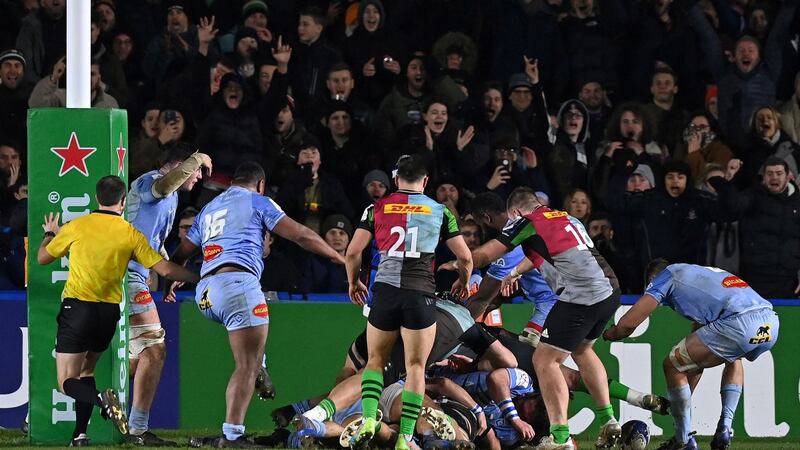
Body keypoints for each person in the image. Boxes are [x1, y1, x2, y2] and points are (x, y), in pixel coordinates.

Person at [167, 162, 344, 447]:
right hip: (238, 284)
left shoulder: (209, 208)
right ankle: (232, 435)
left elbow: (181, 253)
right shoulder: (258, 201)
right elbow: (300, 234)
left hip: (206, 293)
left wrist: (170, 282)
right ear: (260, 184)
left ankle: (260, 366)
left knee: (249, 352)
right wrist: (337, 257)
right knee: (246, 365)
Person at [37, 175, 199, 447]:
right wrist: (199, 277)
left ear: (97, 198)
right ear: (123, 202)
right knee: (87, 371)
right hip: (109, 313)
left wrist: (50, 234)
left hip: (78, 309)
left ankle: (102, 399)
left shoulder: (78, 226)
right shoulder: (130, 233)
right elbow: (165, 269)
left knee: (66, 381)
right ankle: (80, 435)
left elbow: (42, 258)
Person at [467, 187, 621, 450]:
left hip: (579, 296)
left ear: (516, 213)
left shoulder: (526, 223)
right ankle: (609, 421)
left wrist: (458, 260)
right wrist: (514, 272)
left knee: (544, 360)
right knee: (583, 351)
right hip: (610, 289)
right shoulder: (565, 218)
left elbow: (483, 256)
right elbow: (546, 253)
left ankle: (560, 438)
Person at [344, 155, 473, 450]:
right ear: (425, 181)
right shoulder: (440, 211)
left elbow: (352, 252)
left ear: (396, 179)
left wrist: (353, 282)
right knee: (415, 366)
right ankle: (405, 436)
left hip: (385, 292)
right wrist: (463, 282)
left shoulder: (375, 208)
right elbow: (465, 257)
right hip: (420, 295)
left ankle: (368, 419)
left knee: (375, 361)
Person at [604, 260, 780, 450]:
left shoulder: (667, 276)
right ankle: (725, 428)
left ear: (652, 279)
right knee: (732, 358)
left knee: (672, 364)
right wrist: (679, 403)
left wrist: (608, 334)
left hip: (739, 323)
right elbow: (695, 361)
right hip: (770, 323)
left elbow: (627, 326)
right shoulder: (701, 274)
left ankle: (683, 440)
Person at [124, 144, 212, 446]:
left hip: (133, 276)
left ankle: (80, 390)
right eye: (196, 171)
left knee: (135, 358)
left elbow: (154, 243)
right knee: (154, 350)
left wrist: (170, 273)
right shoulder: (150, 181)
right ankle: (137, 430)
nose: (197, 177)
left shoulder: (171, 197)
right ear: (180, 165)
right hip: (124, 277)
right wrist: (198, 157)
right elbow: (162, 187)